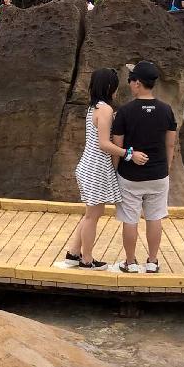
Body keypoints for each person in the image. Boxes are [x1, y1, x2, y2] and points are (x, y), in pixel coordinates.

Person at [62, 69, 148, 270]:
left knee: (91, 213)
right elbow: (103, 144)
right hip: (96, 167)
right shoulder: (105, 109)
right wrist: (128, 153)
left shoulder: (95, 107)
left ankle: (73, 253)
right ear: (111, 87)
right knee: (93, 215)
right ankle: (87, 260)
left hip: (89, 165)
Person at [112, 61, 177, 274]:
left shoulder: (125, 112)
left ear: (138, 83)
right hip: (159, 174)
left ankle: (130, 263)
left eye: (131, 80)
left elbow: (117, 146)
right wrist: (166, 167)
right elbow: (170, 143)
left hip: (130, 175)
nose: (130, 83)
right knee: (154, 217)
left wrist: (116, 169)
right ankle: (152, 261)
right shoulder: (167, 110)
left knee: (130, 219)